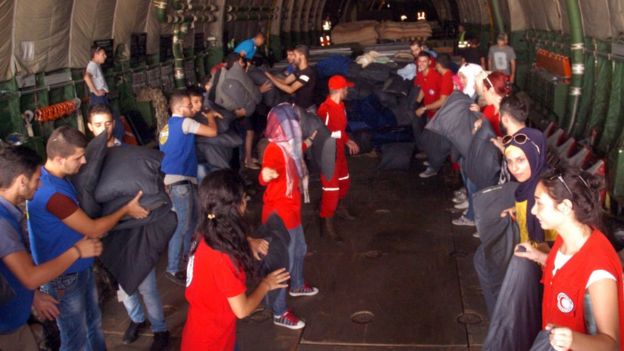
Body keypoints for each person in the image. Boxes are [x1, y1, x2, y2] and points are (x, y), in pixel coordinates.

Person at [27, 126, 149, 351]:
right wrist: (126, 210)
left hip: (78, 267)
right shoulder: (52, 194)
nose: (84, 162)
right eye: (78, 157)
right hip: (64, 276)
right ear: (58, 159)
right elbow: (92, 228)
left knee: (92, 324)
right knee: (75, 339)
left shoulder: (57, 178)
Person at [0, 146, 102, 351]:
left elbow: (8, 270)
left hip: (13, 322)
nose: (39, 186)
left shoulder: (8, 213)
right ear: (21, 181)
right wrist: (77, 251)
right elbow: (30, 276)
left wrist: (33, 296)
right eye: (37, 179)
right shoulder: (2, 223)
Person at [86, 104, 170, 349]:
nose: (104, 129)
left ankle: (160, 329)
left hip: (136, 230)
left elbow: (153, 186)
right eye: (98, 125)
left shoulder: (132, 155)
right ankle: (136, 319)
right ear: (90, 127)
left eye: (108, 123)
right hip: (108, 233)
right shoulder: (86, 162)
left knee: (147, 284)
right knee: (124, 285)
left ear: (115, 123)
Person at [515, 168, 624, 351]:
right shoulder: (566, 238)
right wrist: (539, 257)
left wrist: (572, 340)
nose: (533, 211)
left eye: (539, 203)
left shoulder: (599, 271)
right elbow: (567, 272)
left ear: (565, 207)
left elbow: (611, 343)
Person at [181, 170, 290, 350]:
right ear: (234, 208)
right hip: (213, 342)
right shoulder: (222, 258)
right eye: (244, 200)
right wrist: (266, 284)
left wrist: (248, 241)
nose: (246, 204)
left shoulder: (204, 232)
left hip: (206, 330)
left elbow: (223, 238)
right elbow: (242, 310)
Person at [260, 103, 319, 329]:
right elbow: (265, 173)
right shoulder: (274, 150)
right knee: (281, 262)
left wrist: (310, 141)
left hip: (291, 212)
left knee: (299, 249)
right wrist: (265, 175)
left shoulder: (290, 148)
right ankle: (279, 311)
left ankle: (297, 284)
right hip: (279, 216)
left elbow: (298, 150)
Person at [159, 92, 221, 286]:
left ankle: (188, 258)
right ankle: (172, 267)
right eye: (188, 106)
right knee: (182, 224)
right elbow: (212, 132)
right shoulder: (184, 123)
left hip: (177, 180)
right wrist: (211, 117)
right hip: (180, 181)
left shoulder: (166, 128)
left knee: (193, 221)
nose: (192, 109)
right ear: (179, 108)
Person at [316, 75, 360, 241]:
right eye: (346, 88)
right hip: (328, 155)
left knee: (344, 181)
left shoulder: (341, 106)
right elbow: (318, 135)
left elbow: (340, 130)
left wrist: (347, 140)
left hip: (339, 152)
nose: (348, 90)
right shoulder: (324, 110)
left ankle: (338, 207)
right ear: (340, 90)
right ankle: (327, 221)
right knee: (331, 190)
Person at [501, 124, 556, 244]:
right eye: (509, 161)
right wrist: (518, 208)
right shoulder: (529, 182)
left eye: (520, 160)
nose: (514, 168)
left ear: (534, 157)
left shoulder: (549, 192)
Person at [416, 53, 454, 179]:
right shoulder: (421, 74)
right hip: (431, 113)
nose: (421, 64)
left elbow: (443, 100)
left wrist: (424, 107)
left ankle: (433, 167)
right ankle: (433, 160)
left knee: (436, 143)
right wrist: (416, 103)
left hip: (440, 115)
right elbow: (423, 89)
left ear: (431, 63)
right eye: (419, 61)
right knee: (431, 141)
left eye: (424, 61)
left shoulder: (439, 76)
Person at [265, 45, 317, 110]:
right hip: (299, 107)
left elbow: (290, 89)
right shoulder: (298, 70)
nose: (293, 58)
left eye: (295, 55)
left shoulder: (307, 73)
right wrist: (270, 76)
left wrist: (271, 78)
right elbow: (285, 81)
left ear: (302, 56)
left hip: (307, 110)